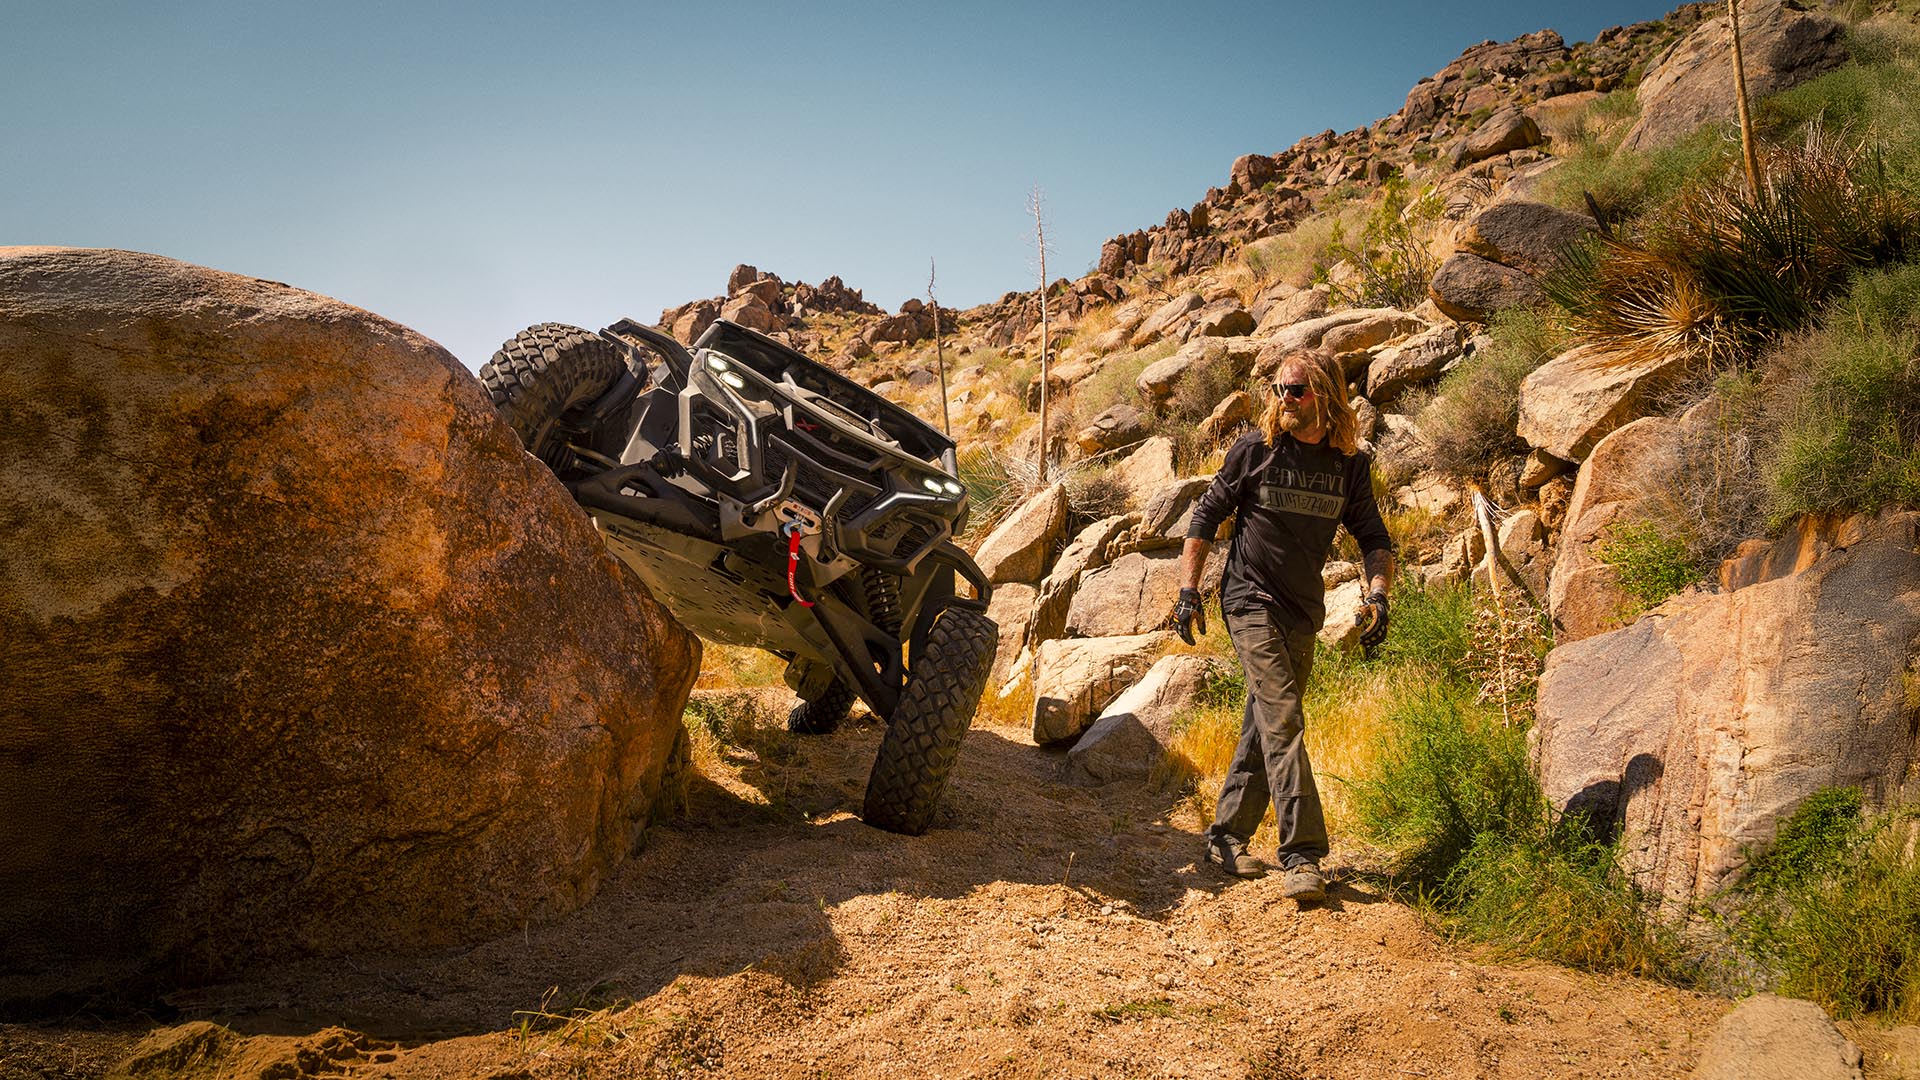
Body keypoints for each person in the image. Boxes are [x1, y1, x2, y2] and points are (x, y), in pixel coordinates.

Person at [1170, 347, 1395, 901]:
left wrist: (1379, 596)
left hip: (1302, 611)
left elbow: (1374, 539)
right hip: (1248, 600)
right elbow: (1205, 515)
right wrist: (1188, 590)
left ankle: (1225, 837)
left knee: (1263, 724)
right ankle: (1303, 854)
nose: (1284, 400)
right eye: (1278, 388)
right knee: (1285, 718)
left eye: (1295, 390)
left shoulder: (1349, 467)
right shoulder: (1256, 449)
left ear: (1326, 396)